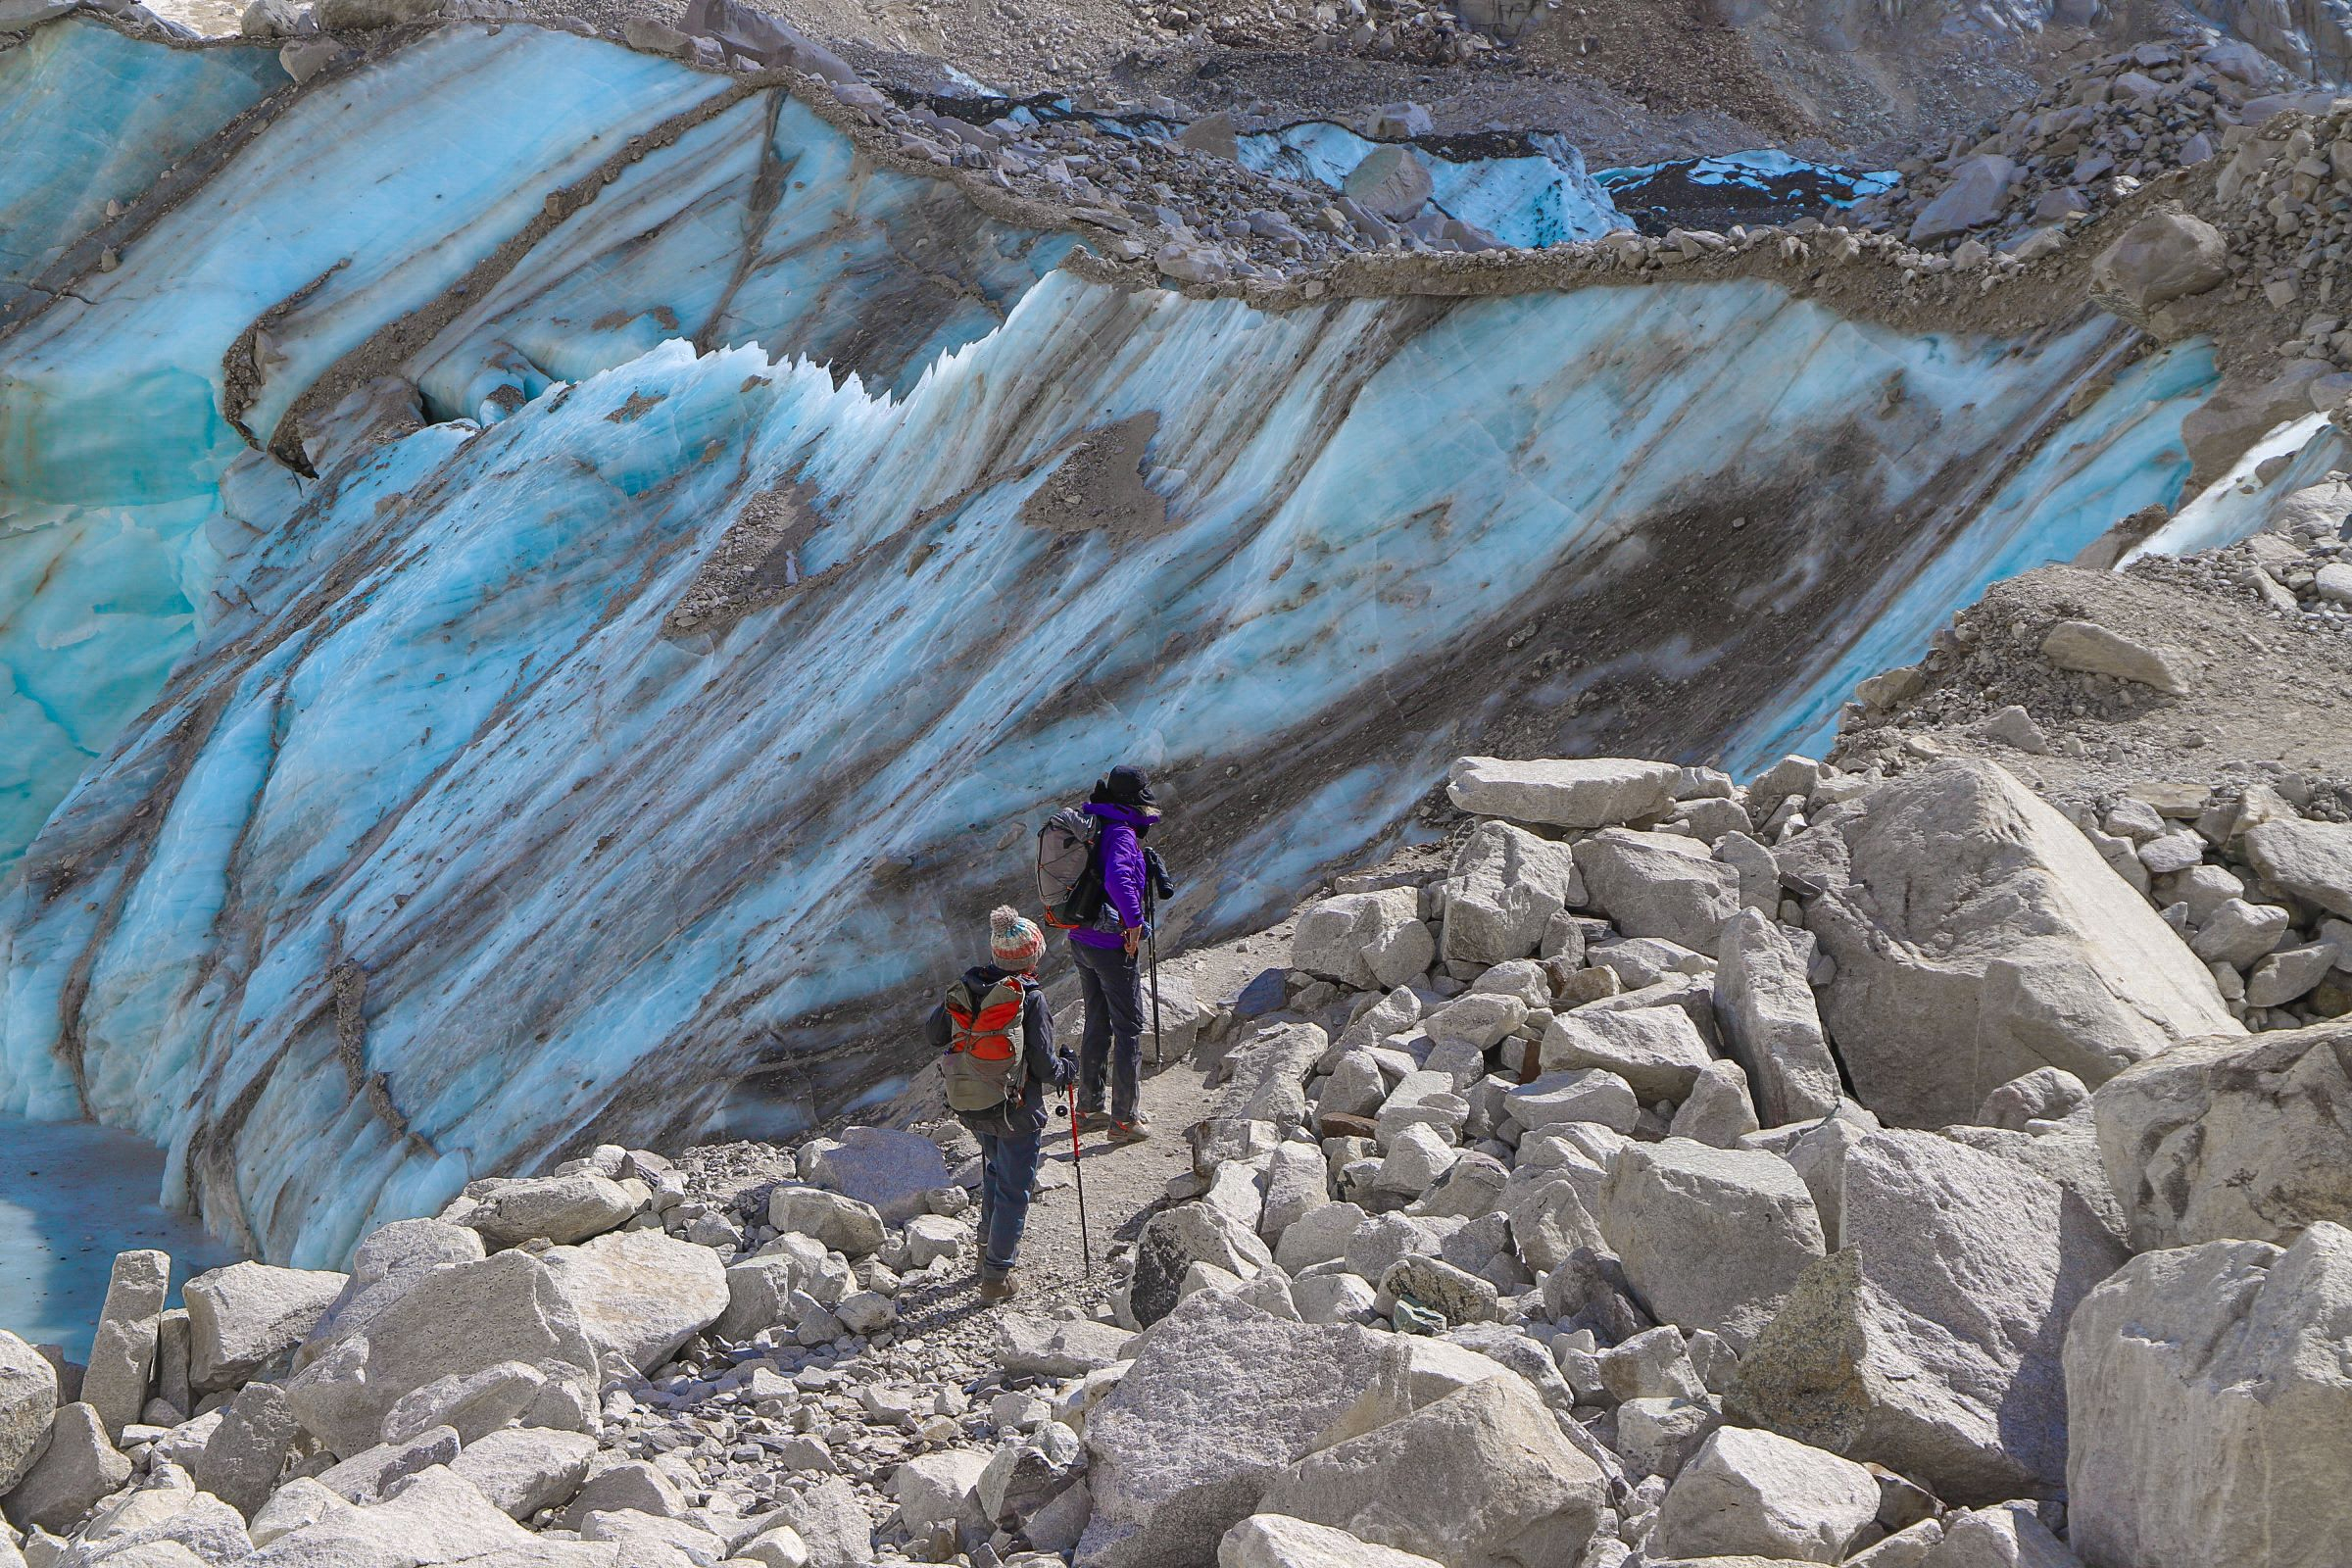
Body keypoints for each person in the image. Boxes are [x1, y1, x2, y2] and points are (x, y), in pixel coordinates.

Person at [926, 906, 1073, 1303]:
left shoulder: (968, 985)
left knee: (994, 1173)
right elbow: (1043, 1064)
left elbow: (934, 1034)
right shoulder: (1029, 997)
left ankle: (984, 1253)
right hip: (1015, 1107)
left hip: (971, 1102)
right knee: (1013, 1188)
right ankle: (997, 1277)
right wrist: (1067, 1070)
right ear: (1032, 956)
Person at [1068, 764, 1159, 1142]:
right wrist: (1134, 924)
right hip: (1111, 944)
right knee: (1128, 1028)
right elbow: (1118, 879)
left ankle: (1089, 1108)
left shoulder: (1092, 825)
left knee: (1097, 1019)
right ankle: (1124, 1119)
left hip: (1081, 938)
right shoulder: (1121, 833)